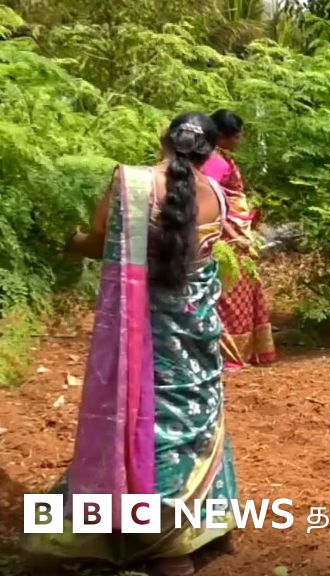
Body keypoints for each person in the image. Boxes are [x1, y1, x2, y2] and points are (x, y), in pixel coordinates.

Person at [23, 112, 239, 576]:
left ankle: (142, 536)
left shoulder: (130, 181)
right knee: (182, 423)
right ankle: (181, 531)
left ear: (163, 139)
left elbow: (100, 243)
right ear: (211, 153)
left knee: (137, 414)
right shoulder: (218, 196)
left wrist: (63, 239)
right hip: (193, 336)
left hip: (142, 332)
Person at [201, 110, 276, 371]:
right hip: (226, 239)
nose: (240, 140)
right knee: (231, 292)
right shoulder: (212, 163)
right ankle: (228, 354)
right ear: (221, 136)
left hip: (236, 233)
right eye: (237, 135)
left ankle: (241, 352)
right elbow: (211, 201)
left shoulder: (220, 158)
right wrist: (234, 235)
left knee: (243, 288)